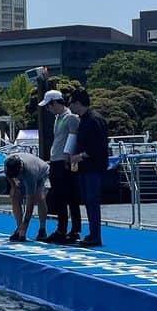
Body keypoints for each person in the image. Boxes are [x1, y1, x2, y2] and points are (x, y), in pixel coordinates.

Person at [67, 88, 109, 248]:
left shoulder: (94, 120)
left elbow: (100, 146)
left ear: (78, 103)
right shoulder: (84, 119)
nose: (70, 107)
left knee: (92, 201)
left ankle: (95, 235)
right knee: (87, 201)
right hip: (85, 167)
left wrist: (81, 155)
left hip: (94, 167)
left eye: (72, 103)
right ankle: (92, 233)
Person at [39, 89, 81, 244]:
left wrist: (68, 158)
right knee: (59, 197)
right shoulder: (58, 118)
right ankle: (62, 228)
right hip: (56, 160)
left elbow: (74, 137)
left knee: (69, 196)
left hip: (65, 161)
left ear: (55, 103)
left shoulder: (70, 117)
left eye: (49, 106)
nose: (48, 109)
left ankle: (71, 230)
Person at [3, 151, 50, 242]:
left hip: (42, 174)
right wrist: (13, 186)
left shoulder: (30, 173)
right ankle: (18, 227)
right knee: (14, 195)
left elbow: (30, 203)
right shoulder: (7, 163)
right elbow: (8, 176)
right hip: (23, 174)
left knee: (39, 197)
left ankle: (42, 229)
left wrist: (26, 224)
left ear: (20, 169)